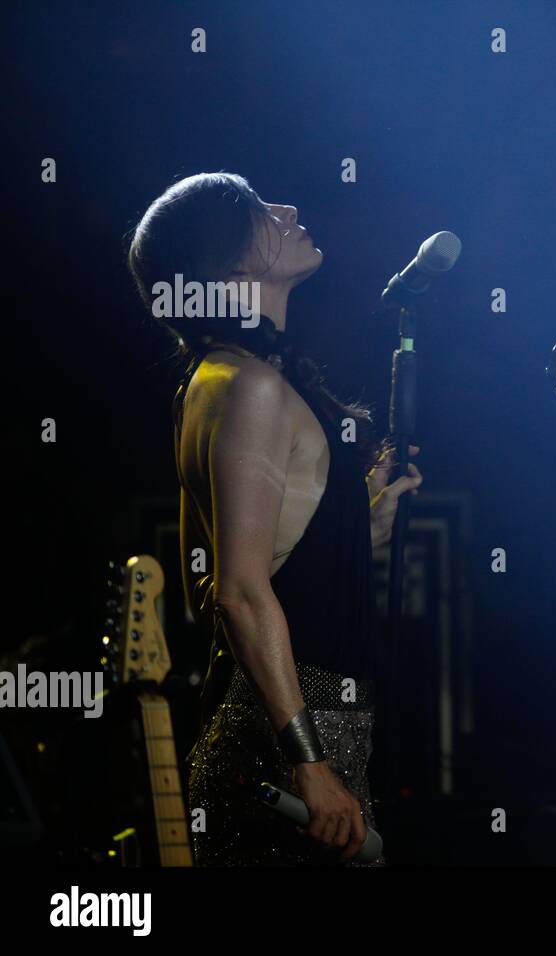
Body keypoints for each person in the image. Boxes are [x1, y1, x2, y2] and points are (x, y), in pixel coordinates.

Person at [127, 172, 422, 864]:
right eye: (259, 211)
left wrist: (360, 526)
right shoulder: (252, 388)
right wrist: (309, 763)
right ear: (226, 265)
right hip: (286, 746)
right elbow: (235, 591)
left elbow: (266, 563)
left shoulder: (218, 379)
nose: (287, 209)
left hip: (292, 735)